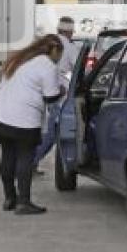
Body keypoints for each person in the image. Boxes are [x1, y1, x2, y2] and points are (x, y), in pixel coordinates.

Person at [0, 34, 64, 215]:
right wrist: (62, 90)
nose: (59, 58)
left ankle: (9, 198)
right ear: (53, 49)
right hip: (24, 119)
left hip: (1, 116)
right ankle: (24, 202)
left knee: (7, 156)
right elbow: (50, 97)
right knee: (25, 157)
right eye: (59, 53)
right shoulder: (47, 65)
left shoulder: (21, 59)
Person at [34, 17, 79, 168]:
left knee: (39, 131)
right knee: (51, 134)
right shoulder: (69, 47)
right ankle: (31, 163)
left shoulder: (46, 43)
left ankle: (30, 162)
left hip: (37, 93)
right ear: (70, 31)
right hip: (55, 95)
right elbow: (79, 69)